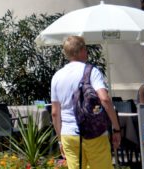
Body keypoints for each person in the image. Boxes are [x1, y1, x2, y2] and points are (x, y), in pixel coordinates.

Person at [50, 35, 120, 169]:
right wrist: (116, 128)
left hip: (68, 134)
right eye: (86, 49)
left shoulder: (57, 77)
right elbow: (104, 99)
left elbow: (54, 113)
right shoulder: (91, 72)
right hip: (94, 132)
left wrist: (60, 140)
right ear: (81, 50)